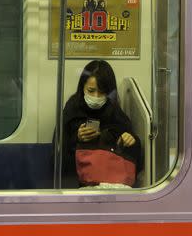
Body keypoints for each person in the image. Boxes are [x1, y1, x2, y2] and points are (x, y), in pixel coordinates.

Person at [59, 59, 141, 187]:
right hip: (78, 184)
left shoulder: (115, 112)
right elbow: (59, 154)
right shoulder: (72, 110)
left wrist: (130, 140)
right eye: (91, 91)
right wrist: (77, 138)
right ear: (82, 88)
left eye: (102, 92)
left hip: (112, 185)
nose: (96, 96)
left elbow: (134, 158)